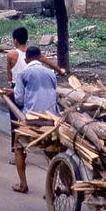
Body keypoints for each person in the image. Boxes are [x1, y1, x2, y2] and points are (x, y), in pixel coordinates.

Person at [6, 27, 65, 162]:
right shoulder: (35, 53)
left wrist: (10, 83)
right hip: (40, 85)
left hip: (19, 87)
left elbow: (9, 74)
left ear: (15, 40)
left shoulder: (11, 55)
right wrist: (60, 71)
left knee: (15, 120)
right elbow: (48, 63)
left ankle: (17, 150)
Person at [11, 46, 60, 193]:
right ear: (40, 57)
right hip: (52, 119)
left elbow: (19, 99)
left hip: (32, 120)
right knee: (52, 153)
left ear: (26, 59)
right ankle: (51, 189)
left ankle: (23, 184)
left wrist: (14, 93)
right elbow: (54, 95)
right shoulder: (51, 73)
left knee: (18, 148)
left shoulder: (23, 74)